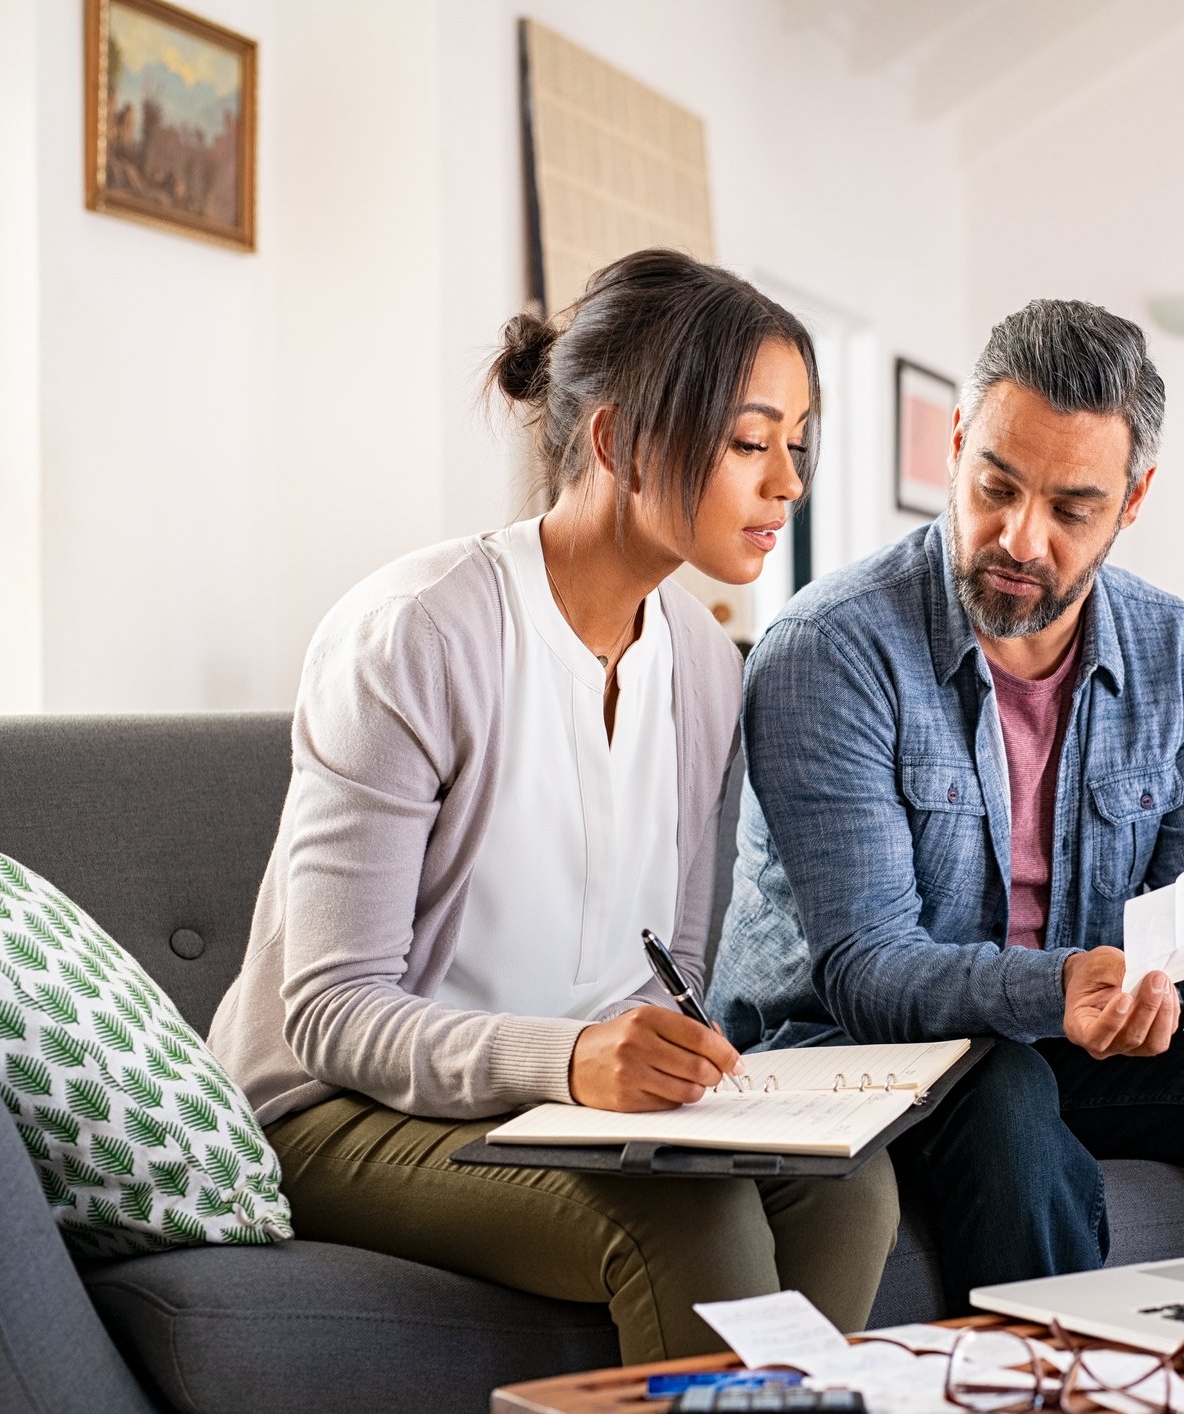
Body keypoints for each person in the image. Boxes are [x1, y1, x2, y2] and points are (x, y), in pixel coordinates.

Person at [210, 250, 900, 1362]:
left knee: (850, 1187)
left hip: (563, 1109)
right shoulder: (418, 634)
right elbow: (332, 1012)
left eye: (798, 443)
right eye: (749, 441)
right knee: (695, 1214)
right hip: (339, 1112)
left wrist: (679, 1068)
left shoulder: (710, 668)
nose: (788, 483)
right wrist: (573, 1060)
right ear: (620, 441)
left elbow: (664, 964)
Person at [709, 298, 1184, 1304]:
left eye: (1071, 510)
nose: (1020, 537)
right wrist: (1060, 988)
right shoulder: (831, 651)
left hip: (1067, 1030)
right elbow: (865, 969)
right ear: (959, 445)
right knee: (1006, 1086)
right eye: (996, 487)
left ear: (1132, 500)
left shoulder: (1180, 654)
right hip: (847, 1050)